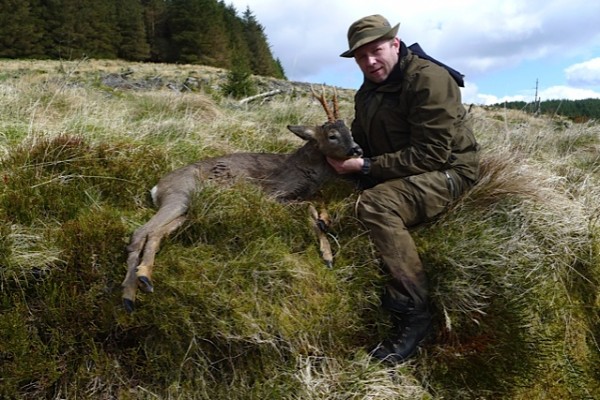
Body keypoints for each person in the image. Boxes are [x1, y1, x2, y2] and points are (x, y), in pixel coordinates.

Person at [328, 14, 480, 364]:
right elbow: (362, 140)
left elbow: (432, 154)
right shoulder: (369, 90)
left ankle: (414, 314)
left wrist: (366, 167)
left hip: (449, 170)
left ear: (395, 44)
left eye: (376, 51)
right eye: (361, 56)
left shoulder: (429, 80)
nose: (369, 61)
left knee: (376, 205)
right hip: (404, 166)